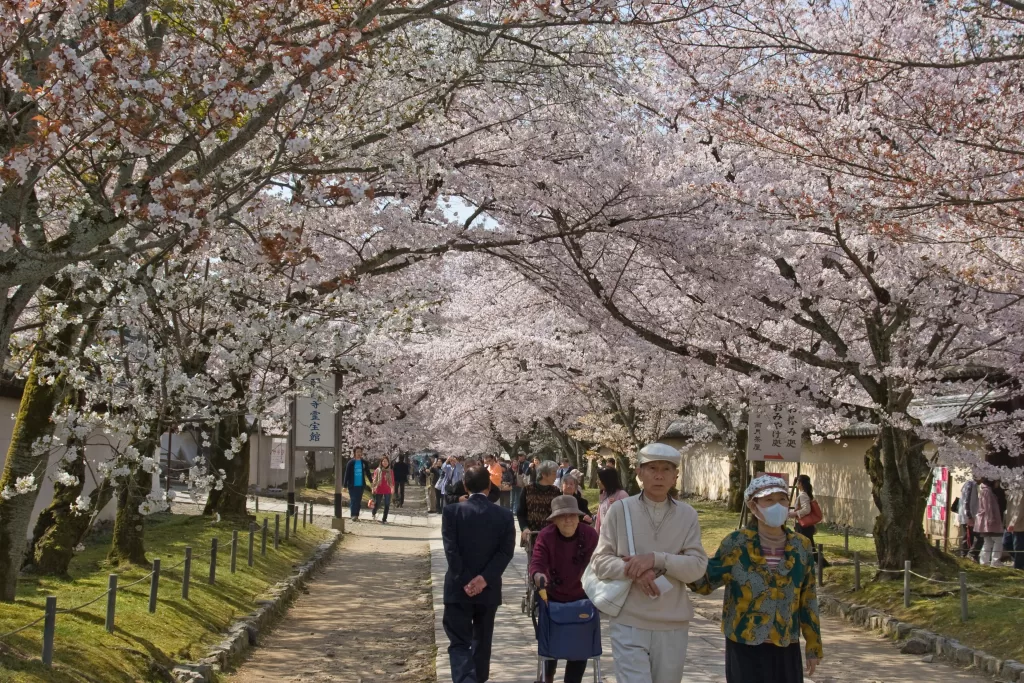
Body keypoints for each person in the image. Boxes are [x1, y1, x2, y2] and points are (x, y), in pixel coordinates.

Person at [590, 443, 708, 683]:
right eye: (652, 468)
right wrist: (632, 570)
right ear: (638, 472)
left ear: (675, 476)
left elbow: (696, 567)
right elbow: (600, 562)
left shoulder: (688, 515)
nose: (658, 475)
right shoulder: (620, 510)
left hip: (673, 623)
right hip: (629, 621)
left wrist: (656, 558)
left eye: (666, 469)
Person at [689, 474, 823, 683]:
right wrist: (678, 561)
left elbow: (808, 599)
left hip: (786, 643)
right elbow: (705, 583)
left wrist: (813, 647)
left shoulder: (801, 546)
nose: (777, 505)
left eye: (782, 499)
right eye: (769, 500)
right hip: (744, 644)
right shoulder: (736, 543)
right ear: (753, 505)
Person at [441, 466, 515, 683]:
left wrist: (466, 580)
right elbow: (505, 552)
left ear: (465, 486)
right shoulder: (503, 515)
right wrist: (484, 579)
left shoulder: (452, 512)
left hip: (458, 588)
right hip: (488, 589)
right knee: (483, 642)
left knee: (459, 642)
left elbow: (451, 551)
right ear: (489, 485)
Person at [529, 495, 600, 683]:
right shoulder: (546, 535)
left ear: (579, 517)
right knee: (550, 650)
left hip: (583, 599)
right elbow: (537, 563)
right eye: (562, 516)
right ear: (554, 520)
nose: (568, 520)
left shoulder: (590, 535)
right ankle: (546, 678)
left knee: (579, 650)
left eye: (572, 515)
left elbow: (601, 563)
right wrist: (538, 576)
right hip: (551, 598)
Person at [517, 460, 563, 545]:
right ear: (544, 474)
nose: (556, 476)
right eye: (553, 473)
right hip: (532, 534)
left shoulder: (556, 491)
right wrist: (524, 528)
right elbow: (520, 512)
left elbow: (559, 513)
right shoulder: (527, 489)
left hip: (551, 535)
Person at [789, 474, 827, 567]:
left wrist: (794, 514)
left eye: (798, 482)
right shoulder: (807, 494)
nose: (797, 484)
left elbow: (807, 509)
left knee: (807, 547)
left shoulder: (803, 495)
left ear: (800, 483)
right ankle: (814, 563)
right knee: (807, 546)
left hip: (803, 526)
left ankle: (821, 564)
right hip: (805, 526)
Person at [976, 478, 1005, 566]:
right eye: (997, 482)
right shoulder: (987, 491)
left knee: (988, 541)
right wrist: (990, 519)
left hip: (988, 520)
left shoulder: (985, 490)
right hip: (991, 520)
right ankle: (995, 561)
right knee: (998, 540)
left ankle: (984, 561)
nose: (997, 484)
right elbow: (988, 507)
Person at [596, 467, 629, 534]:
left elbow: (628, 516)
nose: (597, 481)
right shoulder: (603, 494)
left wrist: (617, 506)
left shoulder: (622, 495)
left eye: (599, 479)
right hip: (604, 536)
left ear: (607, 480)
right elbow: (599, 517)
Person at [342, 447, 368, 520]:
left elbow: (368, 472)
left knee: (358, 501)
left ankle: (356, 515)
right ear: (354, 453)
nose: (359, 453)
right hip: (352, 485)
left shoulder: (364, 462)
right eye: (357, 452)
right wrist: (345, 485)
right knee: (353, 500)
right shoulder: (351, 463)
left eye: (360, 452)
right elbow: (346, 474)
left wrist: (371, 482)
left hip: (361, 485)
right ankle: (353, 515)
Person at [958, 477, 980, 559]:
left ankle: (966, 555)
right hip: (969, 516)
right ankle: (968, 555)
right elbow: (966, 502)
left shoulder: (970, 484)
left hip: (969, 516)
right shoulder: (970, 485)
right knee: (973, 537)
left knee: (968, 537)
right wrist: (969, 516)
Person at [371, 455, 395, 524]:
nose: (385, 462)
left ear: (388, 462)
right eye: (383, 461)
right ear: (381, 462)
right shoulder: (377, 470)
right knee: (377, 503)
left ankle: (384, 519)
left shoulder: (390, 471)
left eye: (386, 461)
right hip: (379, 489)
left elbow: (392, 481)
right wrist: (373, 488)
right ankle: (374, 512)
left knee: (387, 504)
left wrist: (392, 488)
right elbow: (374, 480)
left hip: (387, 489)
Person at [1006, 484, 1024, 571]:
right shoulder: (1012, 492)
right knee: (1006, 542)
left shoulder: (1020, 492)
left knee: (1018, 547)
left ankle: (1018, 567)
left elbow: (1019, 509)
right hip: (1010, 523)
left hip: (1019, 525)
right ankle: (1020, 562)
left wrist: (1013, 523)